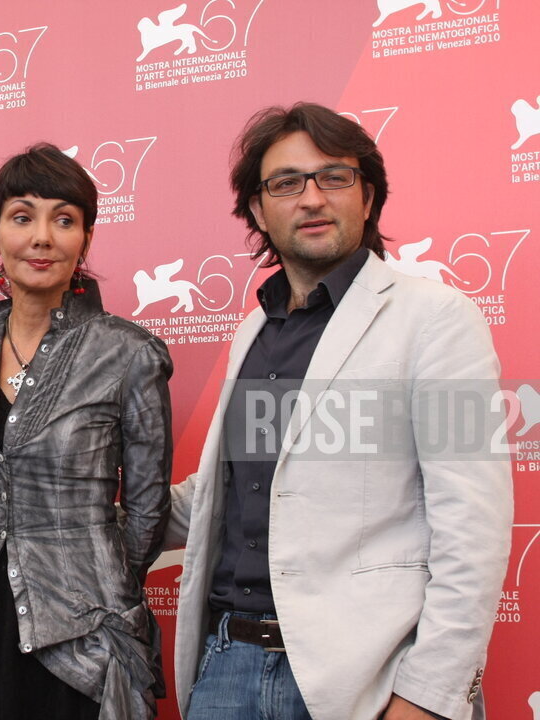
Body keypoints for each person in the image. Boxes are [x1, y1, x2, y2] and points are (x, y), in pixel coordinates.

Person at [164, 103, 513, 720]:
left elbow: (474, 528)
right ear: (256, 209)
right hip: (225, 668)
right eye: (287, 182)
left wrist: (425, 699)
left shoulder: (437, 319)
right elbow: (241, 489)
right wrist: (91, 516)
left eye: (334, 177)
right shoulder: (254, 331)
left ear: (368, 195)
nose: (312, 198)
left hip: (365, 678)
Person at [0, 143, 174, 719]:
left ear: (86, 240)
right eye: (22, 217)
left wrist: (96, 575)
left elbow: (148, 508)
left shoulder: (128, 354)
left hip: (80, 624)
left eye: (65, 219)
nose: (43, 237)